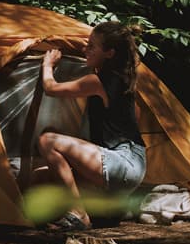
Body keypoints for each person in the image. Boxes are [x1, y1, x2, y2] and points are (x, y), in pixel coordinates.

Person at [36, 21, 146, 231]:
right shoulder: (122, 79)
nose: (85, 49)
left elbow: (51, 88)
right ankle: (110, 208)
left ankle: (78, 213)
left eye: (91, 46)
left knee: (47, 141)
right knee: (42, 175)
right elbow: (137, 115)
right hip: (134, 165)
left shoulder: (98, 81)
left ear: (110, 53)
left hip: (122, 162)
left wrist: (48, 65)